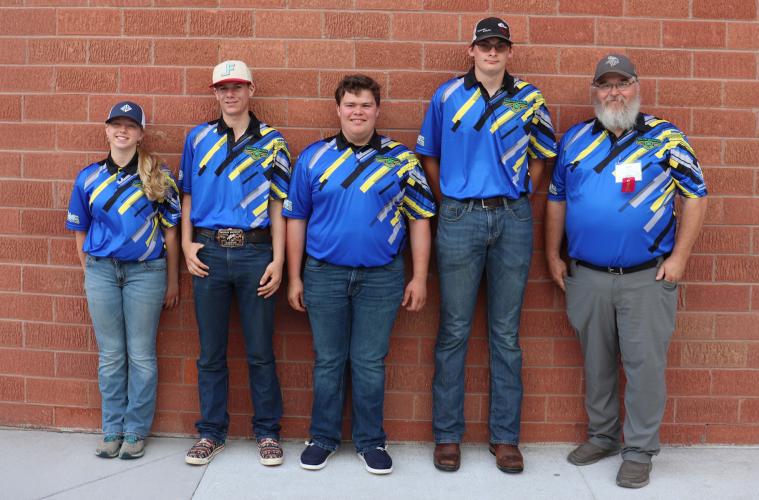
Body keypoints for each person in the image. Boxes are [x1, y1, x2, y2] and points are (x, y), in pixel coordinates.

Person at [545, 54, 708, 488]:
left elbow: (696, 195)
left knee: (644, 366)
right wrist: (551, 255)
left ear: (637, 86)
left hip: (646, 276)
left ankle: (639, 450)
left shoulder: (666, 138)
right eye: (605, 84)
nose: (614, 92)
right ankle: (602, 437)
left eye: (623, 83)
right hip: (587, 274)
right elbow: (556, 199)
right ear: (593, 91)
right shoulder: (574, 140)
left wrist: (680, 259)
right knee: (596, 363)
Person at [416, 17, 557, 473]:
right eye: (485, 45)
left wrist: (515, 196)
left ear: (509, 52)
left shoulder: (530, 99)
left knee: (505, 334)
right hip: (459, 216)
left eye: (500, 45)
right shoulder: (446, 96)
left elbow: (541, 159)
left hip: (512, 217)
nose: (492, 52)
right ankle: (447, 435)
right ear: (471, 51)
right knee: (454, 330)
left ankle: (505, 437)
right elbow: (429, 156)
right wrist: (453, 200)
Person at [284, 75, 435, 475]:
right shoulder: (313, 158)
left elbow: (420, 220)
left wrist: (419, 277)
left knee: (369, 362)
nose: (357, 112)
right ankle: (322, 437)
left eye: (365, 105)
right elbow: (296, 218)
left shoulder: (401, 160)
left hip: (382, 276)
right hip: (324, 274)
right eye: (350, 104)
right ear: (338, 110)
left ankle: (371, 441)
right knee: (329, 361)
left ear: (377, 110)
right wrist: (295, 277)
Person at [180, 60, 291, 466]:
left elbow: (280, 204)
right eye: (222, 88)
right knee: (211, 352)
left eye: (238, 87)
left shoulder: (274, 142)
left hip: (255, 252)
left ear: (251, 90)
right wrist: (188, 245)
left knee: (260, 350)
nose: (230, 94)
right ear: (214, 93)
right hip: (208, 253)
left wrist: (279, 259)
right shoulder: (198, 138)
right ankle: (211, 432)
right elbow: (186, 194)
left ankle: (267, 431)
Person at [66, 101, 181, 460]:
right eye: (116, 124)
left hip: (146, 274)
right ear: (106, 130)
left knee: (142, 355)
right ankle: (112, 428)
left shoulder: (159, 176)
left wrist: (174, 280)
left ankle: (135, 430)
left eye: (130, 126)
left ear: (140, 133)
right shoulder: (88, 177)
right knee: (111, 356)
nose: (123, 131)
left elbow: (172, 234)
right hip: (102, 271)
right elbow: (79, 229)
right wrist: (90, 270)